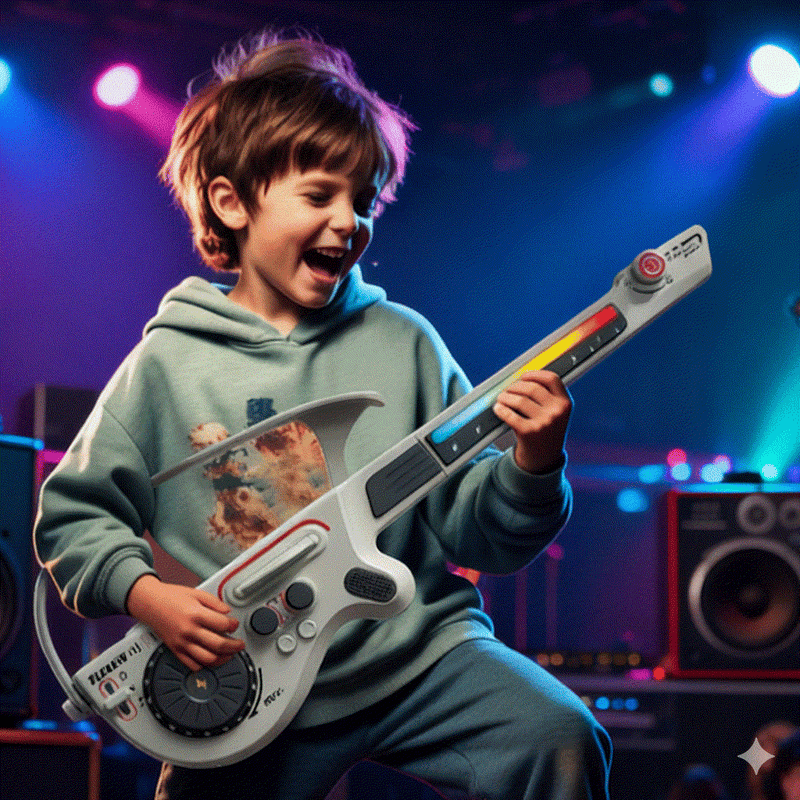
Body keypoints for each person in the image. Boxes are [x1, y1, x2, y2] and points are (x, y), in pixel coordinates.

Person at [34, 30, 611, 800]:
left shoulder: (404, 342)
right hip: (247, 680)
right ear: (230, 202)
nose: (350, 222)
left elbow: (480, 534)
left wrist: (533, 465)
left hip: (416, 655)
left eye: (364, 200)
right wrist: (151, 599)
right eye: (319, 196)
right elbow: (73, 518)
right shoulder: (167, 365)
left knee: (559, 737)